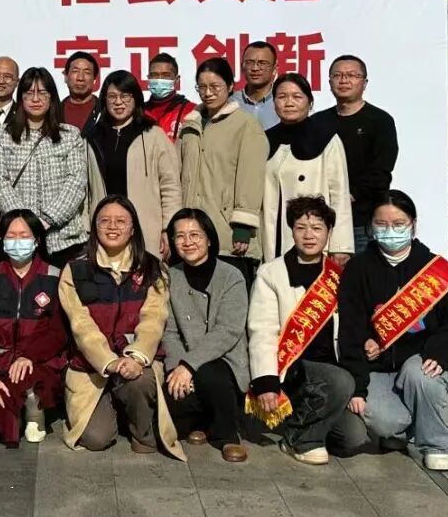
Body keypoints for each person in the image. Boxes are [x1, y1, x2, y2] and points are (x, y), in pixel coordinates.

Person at [339, 190, 448, 472]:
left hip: (427, 360)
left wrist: (439, 352)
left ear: (413, 225)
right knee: (385, 421)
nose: (390, 231)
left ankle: (436, 445)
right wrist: (358, 384)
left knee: (418, 374)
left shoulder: (436, 269)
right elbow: (350, 329)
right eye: (381, 224)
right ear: (370, 227)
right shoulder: (358, 269)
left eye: (398, 224)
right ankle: (401, 432)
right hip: (379, 367)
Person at [57, 195, 183, 457]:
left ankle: (142, 432)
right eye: (105, 221)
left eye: (121, 221)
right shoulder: (75, 269)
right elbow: (81, 325)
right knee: (95, 438)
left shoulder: (152, 268)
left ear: (133, 228)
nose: (112, 227)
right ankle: (113, 410)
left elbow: (153, 319)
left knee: (141, 380)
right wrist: (109, 362)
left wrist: (136, 357)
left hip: (134, 361)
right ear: (94, 227)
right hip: (91, 367)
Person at [247, 196, 355, 465]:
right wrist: (266, 380)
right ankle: (300, 439)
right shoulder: (271, 273)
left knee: (352, 437)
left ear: (329, 232)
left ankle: (307, 422)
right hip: (293, 369)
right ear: (291, 230)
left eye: (317, 228)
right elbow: (262, 330)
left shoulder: (338, 275)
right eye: (301, 227)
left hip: (331, 369)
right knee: (340, 381)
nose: (309, 235)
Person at [0, 210, 67, 447]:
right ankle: (16, 407)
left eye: (24, 236)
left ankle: (34, 408)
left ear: (37, 240)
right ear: (2, 240)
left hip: (37, 361)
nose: (17, 242)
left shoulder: (55, 278)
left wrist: (28, 356)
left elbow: (59, 331)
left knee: (27, 379)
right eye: (11, 236)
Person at [162, 208, 249, 462]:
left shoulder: (231, 276)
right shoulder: (170, 277)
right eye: (180, 236)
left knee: (211, 375)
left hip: (223, 360)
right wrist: (177, 367)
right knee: (173, 395)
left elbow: (228, 330)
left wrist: (189, 365)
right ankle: (200, 422)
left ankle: (227, 434)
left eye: (195, 235)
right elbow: (169, 331)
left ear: (209, 238)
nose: (187, 242)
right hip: (184, 360)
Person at [179, 58, 267, 288]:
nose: (208, 93)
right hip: (192, 232)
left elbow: (251, 179)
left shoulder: (246, 125)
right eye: (202, 87)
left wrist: (243, 227)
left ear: (230, 87)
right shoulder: (189, 125)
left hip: (228, 233)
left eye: (215, 86)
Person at [0, 67, 87, 267]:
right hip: (17, 239)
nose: (35, 99)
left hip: (63, 238)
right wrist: (24, 223)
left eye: (42, 92)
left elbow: (76, 182)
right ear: (21, 98)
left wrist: (48, 219)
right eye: (29, 93)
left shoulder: (70, 135)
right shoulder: (3, 134)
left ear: (51, 97)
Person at [87, 70, 181, 261]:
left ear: (136, 98)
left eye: (125, 96)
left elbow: (170, 186)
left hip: (146, 230)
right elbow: (85, 190)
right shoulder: (93, 137)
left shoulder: (153, 134)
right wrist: (87, 228)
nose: (118, 102)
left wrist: (168, 228)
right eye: (112, 96)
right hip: (106, 231)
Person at [264, 73, 354, 263]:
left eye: (297, 96)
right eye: (282, 97)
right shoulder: (265, 139)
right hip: (273, 236)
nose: (289, 103)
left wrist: (340, 246)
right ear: (274, 103)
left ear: (310, 102)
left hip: (314, 237)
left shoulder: (326, 138)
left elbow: (339, 194)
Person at [313, 55, 399, 254]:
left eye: (351, 75)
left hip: (362, 221)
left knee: (361, 273)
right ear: (329, 82)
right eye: (338, 75)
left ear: (364, 83)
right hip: (321, 220)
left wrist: (348, 196)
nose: (344, 80)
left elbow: (381, 171)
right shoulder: (317, 122)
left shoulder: (380, 121)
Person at [145, 52, 196, 144]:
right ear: (148, 78)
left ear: (176, 80)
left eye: (166, 75)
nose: (159, 80)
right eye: (154, 75)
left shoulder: (191, 111)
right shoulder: (139, 112)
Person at [230, 41, 280, 130]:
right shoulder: (230, 102)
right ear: (242, 67)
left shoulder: (282, 101)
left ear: (275, 68)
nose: (255, 68)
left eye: (262, 63)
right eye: (249, 62)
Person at [60, 52, 101, 135]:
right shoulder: (54, 112)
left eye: (87, 72)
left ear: (94, 79)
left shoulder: (104, 111)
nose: (80, 78)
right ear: (66, 76)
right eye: (75, 71)